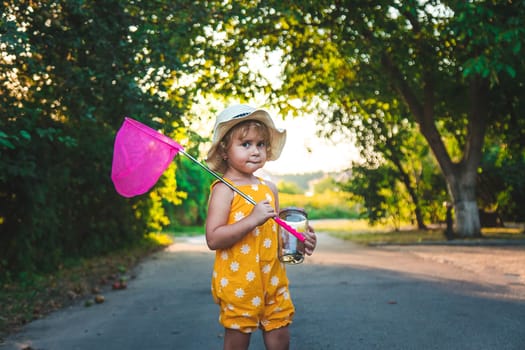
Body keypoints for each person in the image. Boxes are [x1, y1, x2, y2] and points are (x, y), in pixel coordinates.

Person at [205, 104, 317, 350]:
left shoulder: (269, 188)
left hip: (272, 277)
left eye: (261, 144)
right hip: (239, 281)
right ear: (224, 150)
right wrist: (251, 219)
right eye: (245, 144)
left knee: (280, 331)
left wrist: (299, 240)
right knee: (238, 337)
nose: (255, 151)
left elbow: (275, 235)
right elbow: (213, 238)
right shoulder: (224, 190)